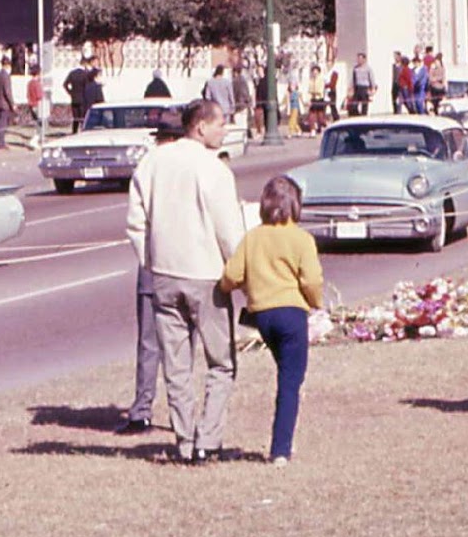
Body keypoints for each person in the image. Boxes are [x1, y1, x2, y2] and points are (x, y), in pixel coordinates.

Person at [125, 96, 243, 462]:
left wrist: (152, 261)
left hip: (163, 274)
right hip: (206, 276)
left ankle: (185, 440)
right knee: (221, 363)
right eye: (221, 122)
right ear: (201, 126)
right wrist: (237, 270)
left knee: (176, 365)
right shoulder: (214, 169)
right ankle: (208, 439)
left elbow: (135, 221)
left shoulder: (153, 161)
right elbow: (229, 230)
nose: (225, 129)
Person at [220, 175, 323, 465]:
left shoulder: (253, 237)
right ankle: (281, 448)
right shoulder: (302, 239)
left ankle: (283, 440)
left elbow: (231, 275)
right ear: (296, 205)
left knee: (284, 373)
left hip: (263, 316)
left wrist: (233, 289)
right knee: (290, 382)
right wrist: (316, 303)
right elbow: (312, 280)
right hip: (292, 313)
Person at [120, 106, 183, 434]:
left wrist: (147, 260)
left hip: (155, 263)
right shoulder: (196, 165)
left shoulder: (148, 166)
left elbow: (136, 223)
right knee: (181, 342)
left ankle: (142, 409)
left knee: (149, 342)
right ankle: (181, 413)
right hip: (190, 264)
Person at [0, 54, 16, 150]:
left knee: (1, 122)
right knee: (3, 123)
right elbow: (7, 91)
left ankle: (0, 141)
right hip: (5, 103)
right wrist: (12, 103)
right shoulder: (6, 76)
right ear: (8, 65)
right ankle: (1, 142)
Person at [65, 61, 97, 133]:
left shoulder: (72, 73)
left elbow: (65, 84)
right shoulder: (85, 74)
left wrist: (71, 93)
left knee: (75, 118)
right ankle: (83, 131)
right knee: (83, 117)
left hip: (74, 99)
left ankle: (74, 132)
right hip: (83, 98)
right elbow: (88, 86)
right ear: (84, 64)